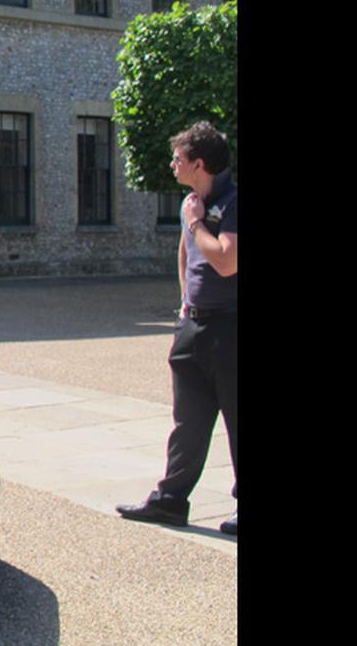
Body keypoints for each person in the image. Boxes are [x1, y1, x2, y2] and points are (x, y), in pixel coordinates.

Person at [118, 122, 237, 536]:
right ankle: (170, 501)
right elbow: (187, 255)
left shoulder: (233, 202)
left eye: (179, 159)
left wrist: (196, 223)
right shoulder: (193, 203)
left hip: (230, 329)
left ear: (199, 163)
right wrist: (186, 307)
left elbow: (226, 260)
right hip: (194, 328)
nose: (173, 164)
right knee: (188, 421)